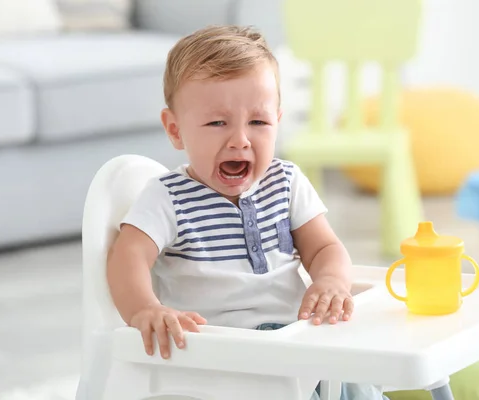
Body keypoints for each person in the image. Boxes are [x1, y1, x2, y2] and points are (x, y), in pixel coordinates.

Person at [106, 24, 388, 400]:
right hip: (221, 356)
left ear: (278, 121)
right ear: (176, 130)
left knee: (355, 378)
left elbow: (324, 248)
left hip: (297, 334)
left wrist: (332, 281)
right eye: (217, 123)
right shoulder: (167, 197)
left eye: (258, 122)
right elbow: (127, 257)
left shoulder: (286, 181)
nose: (240, 139)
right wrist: (145, 309)